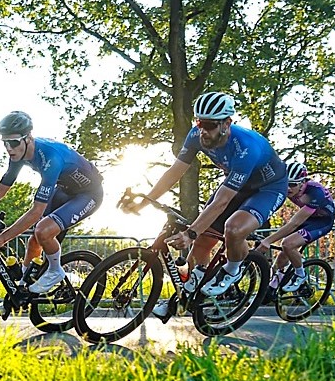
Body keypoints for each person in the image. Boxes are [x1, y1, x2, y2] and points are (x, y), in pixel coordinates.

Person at [122, 92, 288, 319]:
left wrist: (190, 232)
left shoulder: (246, 148)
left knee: (233, 228)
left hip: (267, 189)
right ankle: (187, 293)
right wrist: (145, 201)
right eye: (199, 123)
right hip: (237, 185)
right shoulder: (195, 136)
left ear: (226, 124)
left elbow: (221, 202)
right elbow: (175, 172)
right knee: (201, 243)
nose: (203, 130)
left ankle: (232, 270)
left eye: (209, 125)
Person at [0, 111, 104, 294]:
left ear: (28, 139)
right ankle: (22, 289)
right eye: (5, 143)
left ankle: (56, 271)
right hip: (65, 191)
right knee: (34, 241)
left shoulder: (51, 158)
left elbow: (35, 212)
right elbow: (2, 188)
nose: (9, 148)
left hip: (88, 195)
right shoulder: (19, 154)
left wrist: (4, 237)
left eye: (14, 142)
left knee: (43, 230)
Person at [256, 162, 335, 294]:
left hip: (322, 222)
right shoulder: (287, 188)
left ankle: (300, 275)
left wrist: (268, 241)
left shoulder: (315, 192)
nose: (288, 188)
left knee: (288, 244)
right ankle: (276, 283)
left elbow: (294, 223)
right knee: (280, 259)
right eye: (285, 184)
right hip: (308, 218)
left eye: (292, 184)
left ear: (303, 183)